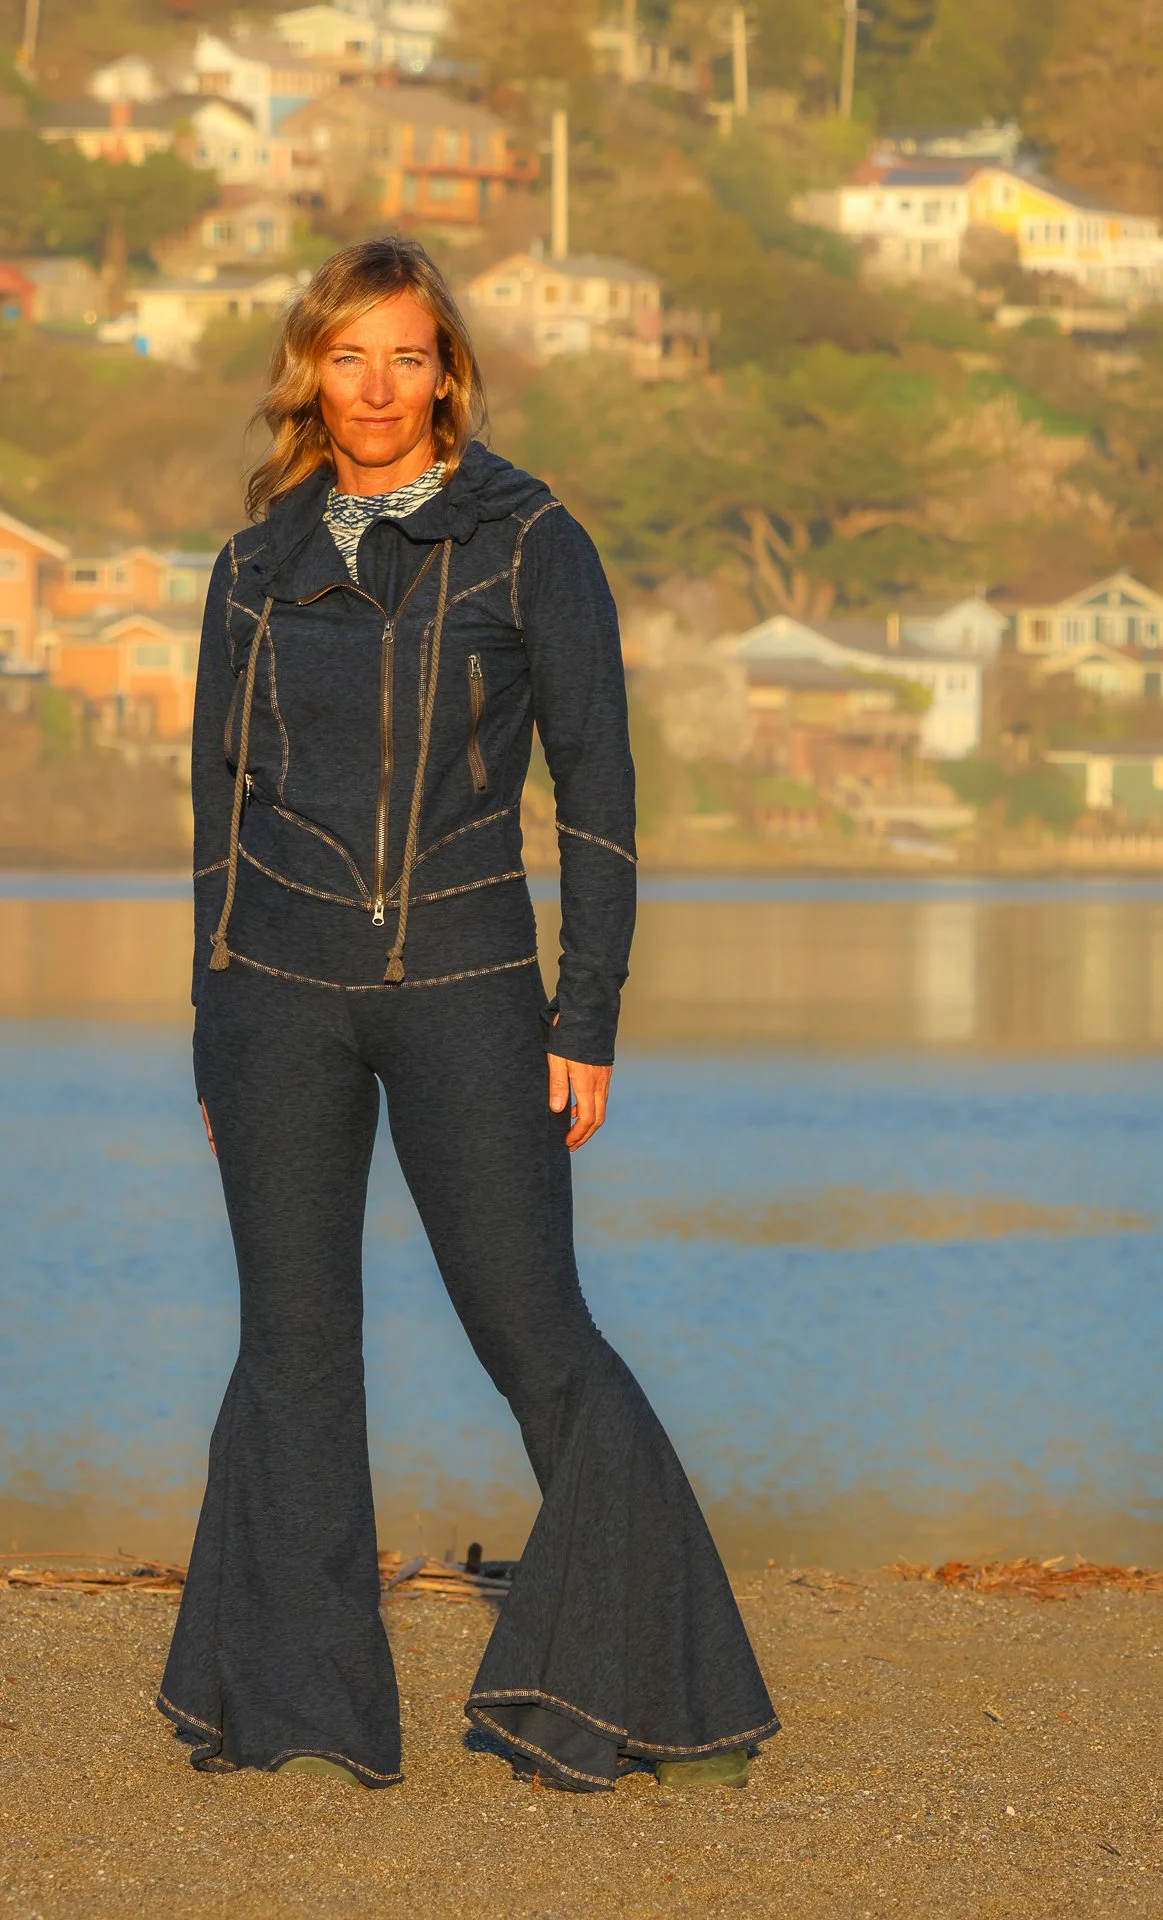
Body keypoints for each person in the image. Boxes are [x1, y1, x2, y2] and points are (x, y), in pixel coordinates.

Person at [157, 235, 779, 1793]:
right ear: (312, 372)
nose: (376, 388)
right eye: (346, 357)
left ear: (449, 373)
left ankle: (669, 1697)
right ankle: (294, 1708)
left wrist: (588, 1014)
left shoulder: (526, 539)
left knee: (537, 1336)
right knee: (293, 1352)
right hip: (274, 996)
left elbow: (601, 797)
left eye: (406, 356)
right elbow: (215, 808)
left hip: (469, 987)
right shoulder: (256, 563)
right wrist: (207, 1025)